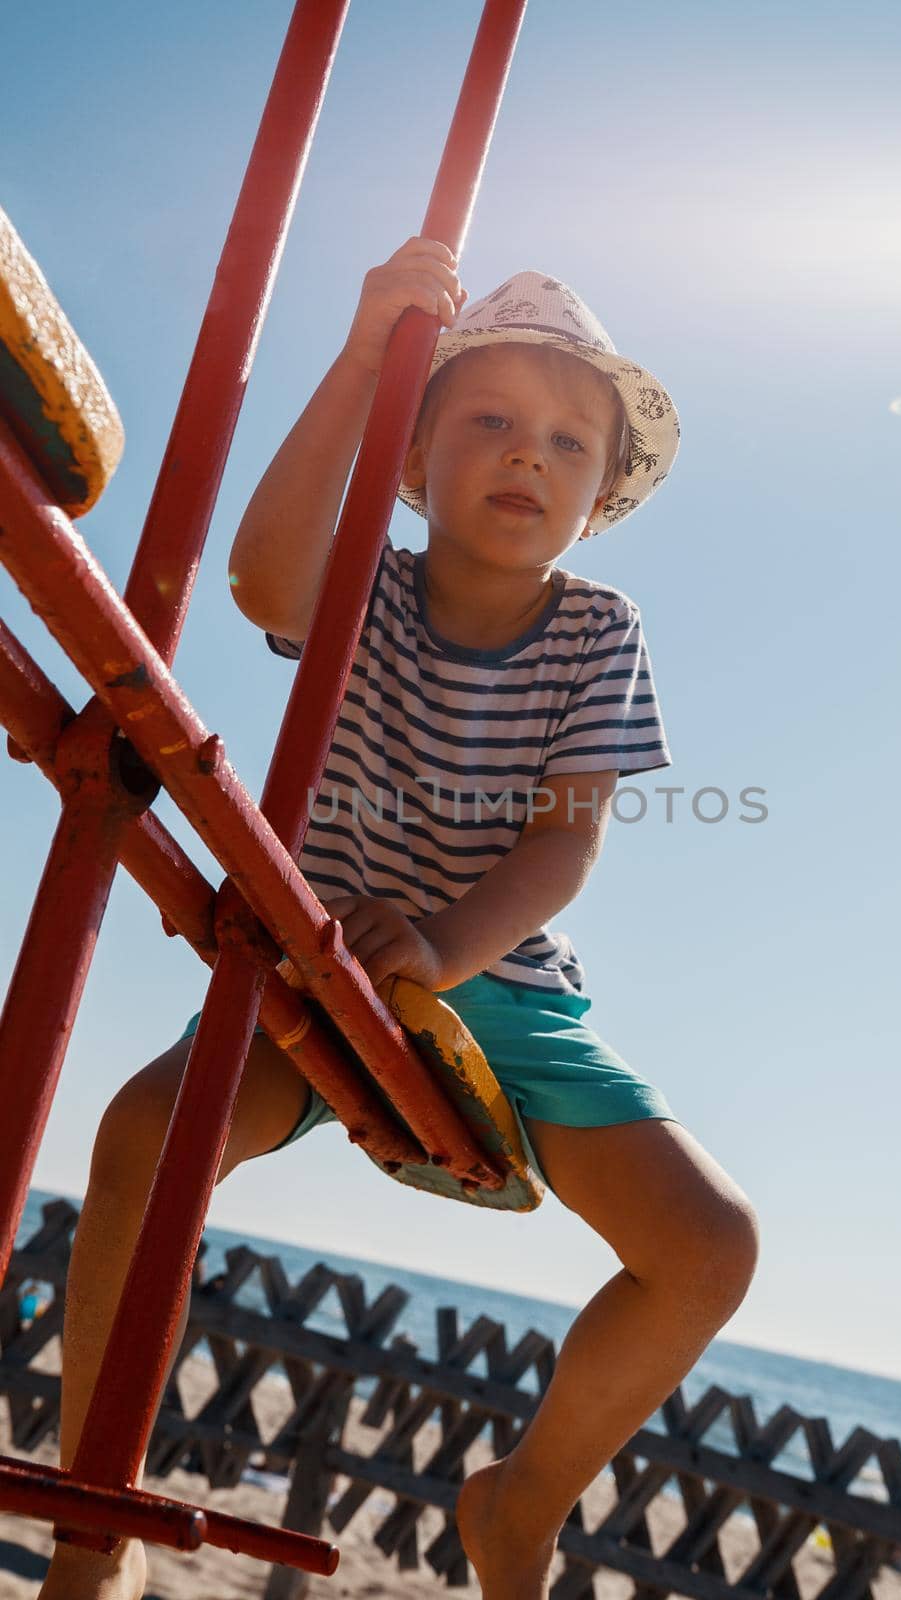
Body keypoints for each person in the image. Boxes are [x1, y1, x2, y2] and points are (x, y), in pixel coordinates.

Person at [39, 238, 759, 1600]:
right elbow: (260, 581)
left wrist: (445, 948)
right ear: (415, 457)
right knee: (142, 1136)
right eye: (485, 418)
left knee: (709, 1248)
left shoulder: (599, 632)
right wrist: (370, 352)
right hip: (318, 971)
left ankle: (521, 1498)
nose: (526, 455)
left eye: (565, 440)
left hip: (501, 984)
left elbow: (567, 846)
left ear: (602, 496)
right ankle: (98, 1514)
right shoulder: (363, 581)